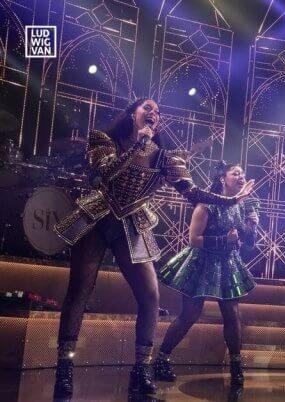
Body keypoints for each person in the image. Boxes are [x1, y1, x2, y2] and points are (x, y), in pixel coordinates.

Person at [52, 98, 255, 397]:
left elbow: (192, 192)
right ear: (132, 114)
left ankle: (141, 369)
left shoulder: (164, 157)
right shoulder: (103, 139)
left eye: (158, 112)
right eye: (147, 108)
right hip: (98, 216)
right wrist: (138, 145)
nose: (153, 113)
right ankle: (64, 368)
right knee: (80, 290)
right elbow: (105, 173)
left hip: (132, 222)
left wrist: (231, 200)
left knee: (150, 295)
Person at [153, 162, 259, 388]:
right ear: (223, 178)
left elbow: (249, 242)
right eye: (236, 173)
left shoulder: (241, 207)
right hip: (201, 261)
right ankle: (161, 359)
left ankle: (236, 367)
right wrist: (223, 240)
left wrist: (252, 224)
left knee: (232, 314)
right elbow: (193, 239)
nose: (241, 176)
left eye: (243, 173)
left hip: (227, 262)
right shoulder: (206, 204)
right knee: (190, 313)